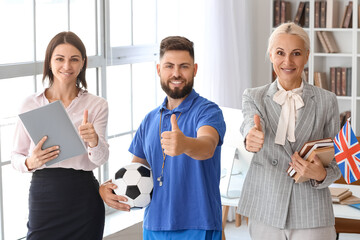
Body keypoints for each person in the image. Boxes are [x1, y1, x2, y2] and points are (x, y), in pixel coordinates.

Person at [99, 36, 226, 240]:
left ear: (194, 70)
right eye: (169, 66)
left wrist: (184, 144)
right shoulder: (149, 120)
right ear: (159, 70)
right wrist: (109, 188)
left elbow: (207, 146)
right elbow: (137, 172)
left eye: (184, 66)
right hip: (154, 226)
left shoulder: (208, 111)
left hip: (198, 225)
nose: (176, 73)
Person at [237, 22, 341, 240]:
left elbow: (337, 161)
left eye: (296, 53)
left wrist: (321, 174)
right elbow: (248, 123)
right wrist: (250, 137)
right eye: (280, 53)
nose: (287, 61)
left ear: (307, 56)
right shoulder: (253, 96)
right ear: (270, 55)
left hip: (311, 211)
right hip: (266, 207)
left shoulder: (327, 100)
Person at [11, 31, 109, 240]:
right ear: (49, 63)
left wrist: (94, 141)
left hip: (84, 196)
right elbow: (15, 156)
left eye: (74, 59)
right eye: (60, 59)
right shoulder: (31, 103)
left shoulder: (97, 105)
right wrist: (31, 161)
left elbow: (99, 160)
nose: (67, 66)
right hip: (44, 194)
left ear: (83, 63)